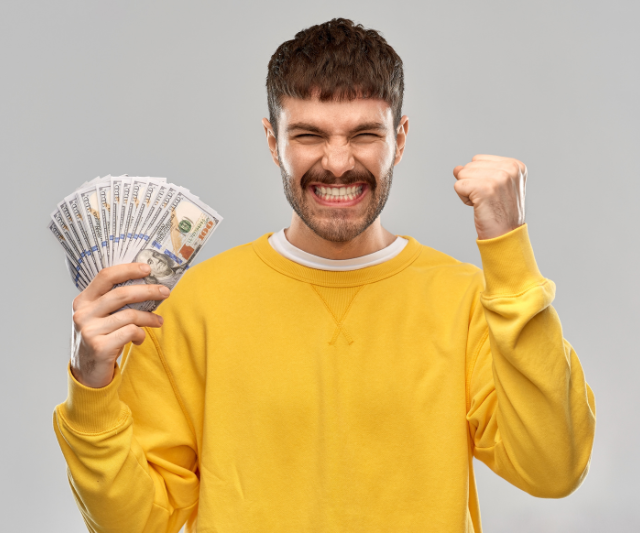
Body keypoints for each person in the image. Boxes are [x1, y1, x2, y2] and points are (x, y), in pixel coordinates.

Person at [53, 18, 596, 533]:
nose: (338, 162)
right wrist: (92, 388)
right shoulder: (195, 305)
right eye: (309, 135)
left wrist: (509, 255)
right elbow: (135, 521)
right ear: (273, 142)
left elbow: (553, 468)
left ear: (400, 139)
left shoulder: (468, 300)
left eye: (364, 134)